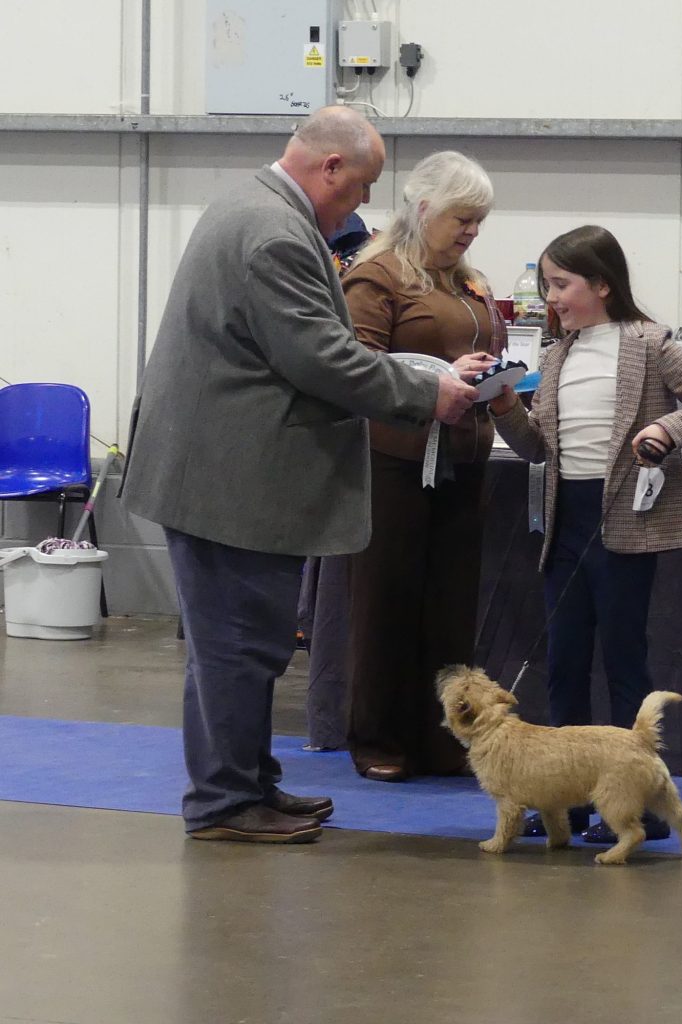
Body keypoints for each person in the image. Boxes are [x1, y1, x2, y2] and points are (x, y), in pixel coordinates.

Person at [119, 107, 478, 844]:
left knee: (245, 645)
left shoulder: (250, 204)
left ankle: (249, 784)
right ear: (331, 168)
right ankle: (223, 802)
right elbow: (319, 358)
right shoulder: (275, 232)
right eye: (361, 187)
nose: (363, 205)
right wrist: (424, 394)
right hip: (229, 480)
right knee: (236, 648)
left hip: (222, 473)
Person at [487, 225, 682, 843]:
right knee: (564, 664)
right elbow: (536, 448)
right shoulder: (554, 356)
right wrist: (500, 407)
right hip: (564, 521)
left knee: (624, 658)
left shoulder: (650, 343)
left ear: (601, 284)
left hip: (623, 518)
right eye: (548, 285)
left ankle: (642, 809)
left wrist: (665, 431)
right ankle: (566, 803)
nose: (552, 297)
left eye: (561, 284)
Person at [304, 150, 502, 783]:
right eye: (461, 218)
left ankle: (443, 736)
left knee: (450, 608)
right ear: (423, 211)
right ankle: (379, 737)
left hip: (463, 462)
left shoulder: (469, 283)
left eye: (478, 221)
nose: (471, 232)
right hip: (393, 464)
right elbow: (356, 367)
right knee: (386, 603)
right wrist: (441, 377)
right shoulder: (377, 276)